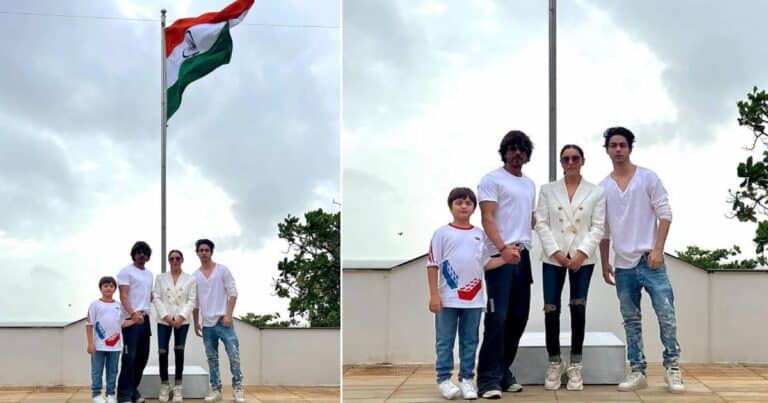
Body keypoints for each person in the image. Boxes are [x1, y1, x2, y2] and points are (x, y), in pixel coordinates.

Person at [598, 126, 684, 393]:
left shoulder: (647, 178)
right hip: (623, 265)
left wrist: (658, 250)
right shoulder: (603, 188)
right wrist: (604, 263)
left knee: (666, 315)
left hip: (651, 261)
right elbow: (603, 230)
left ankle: (672, 367)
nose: (618, 149)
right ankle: (638, 370)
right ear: (607, 149)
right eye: (613, 145)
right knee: (631, 320)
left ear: (630, 148)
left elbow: (665, 214)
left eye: (622, 145)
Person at [427, 187, 510, 400]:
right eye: (459, 202)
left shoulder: (479, 234)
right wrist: (434, 295)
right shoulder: (441, 233)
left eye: (468, 203)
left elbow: (486, 263)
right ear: (451, 206)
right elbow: (432, 265)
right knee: (444, 341)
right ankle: (444, 379)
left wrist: (506, 258)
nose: (463, 206)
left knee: (470, 341)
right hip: (447, 299)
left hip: (473, 301)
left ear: (474, 207)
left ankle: (466, 379)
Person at [534, 144, 605, 391]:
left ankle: (576, 364)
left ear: (583, 160)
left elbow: (598, 226)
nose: (571, 162)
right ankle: (555, 361)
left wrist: (581, 254)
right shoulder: (547, 190)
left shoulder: (596, 192)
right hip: (553, 256)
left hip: (582, 257)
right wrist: (556, 253)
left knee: (578, 307)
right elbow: (541, 223)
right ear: (561, 162)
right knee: (550, 309)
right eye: (566, 158)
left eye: (575, 158)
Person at [476, 130, 537, 399]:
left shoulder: (530, 184)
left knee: (518, 317)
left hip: (523, 256)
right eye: (512, 148)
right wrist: (502, 249)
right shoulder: (492, 179)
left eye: (522, 149)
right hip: (500, 256)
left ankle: (503, 372)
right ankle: (487, 379)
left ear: (527, 154)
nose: (517, 153)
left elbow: (530, 219)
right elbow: (487, 217)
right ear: (504, 152)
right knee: (497, 318)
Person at [192, 239, 246, 403]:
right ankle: (216, 390)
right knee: (212, 359)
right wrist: (196, 323)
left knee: (234, 355)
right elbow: (195, 302)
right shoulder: (195, 276)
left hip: (224, 322)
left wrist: (229, 315)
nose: (204, 253)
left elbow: (233, 293)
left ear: (211, 252)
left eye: (207, 250)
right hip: (207, 325)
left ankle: (238, 388)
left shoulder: (222, 270)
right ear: (197, 253)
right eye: (201, 250)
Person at [153, 250, 197, 402]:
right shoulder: (160, 278)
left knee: (179, 351)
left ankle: (178, 386)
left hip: (182, 320)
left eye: (177, 258)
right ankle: (165, 384)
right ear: (169, 261)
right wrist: (165, 316)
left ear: (182, 260)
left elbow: (192, 300)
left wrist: (181, 317)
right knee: (162, 351)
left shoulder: (190, 279)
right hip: (164, 319)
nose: (175, 261)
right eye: (172, 258)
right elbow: (156, 297)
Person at [86, 276, 134, 403]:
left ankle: (110, 394)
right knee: (97, 371)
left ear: (115, 289)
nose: (108, 288)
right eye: (105, 286)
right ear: (101, 288)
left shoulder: (119, 306)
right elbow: (89, 325)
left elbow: (123, 323)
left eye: (111, 286)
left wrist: (135, 320)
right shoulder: (95, 305)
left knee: (112, 371)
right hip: (98, 346)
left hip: (115, 346)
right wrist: (90, 343)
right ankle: (96, 394)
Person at [117, 241, 154, 403]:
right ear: (134, 254)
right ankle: (123, 395)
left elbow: (149, 295)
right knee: (129, 357)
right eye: (138, 252)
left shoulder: (149, 274)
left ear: (147, 256)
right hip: (131, 320)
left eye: (144, 253)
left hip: (145, 319)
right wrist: (132, 314)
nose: (141, 255)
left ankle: (133, 390)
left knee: (142, 357)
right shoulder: (126, 271)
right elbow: (123, 295)